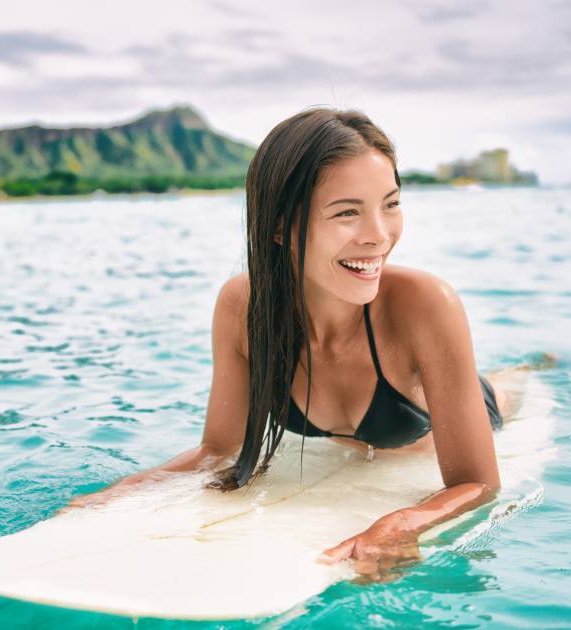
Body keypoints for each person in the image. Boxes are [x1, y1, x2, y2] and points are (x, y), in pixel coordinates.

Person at [58, 107, 544, 583]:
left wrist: (400, 523)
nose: (378, 236)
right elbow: (216, 450)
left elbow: (478, 483)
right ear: (279, 227)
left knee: (518, 381)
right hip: (374, 432)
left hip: (467, 410)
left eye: (391, 204)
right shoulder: (242, 307)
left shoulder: (425, 304)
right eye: (347, 212)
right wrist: (121, 494)